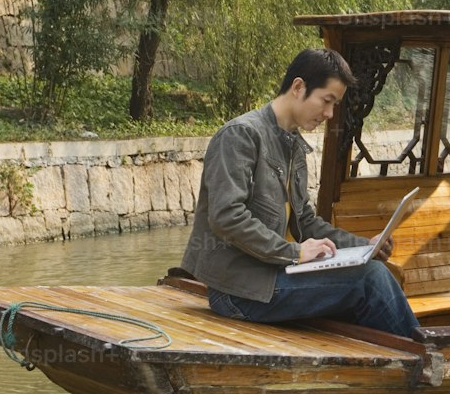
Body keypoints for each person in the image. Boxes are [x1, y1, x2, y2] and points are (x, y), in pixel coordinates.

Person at [181, 47, 422, 340]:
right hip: (239, 291)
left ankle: (402, 364)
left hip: (272, 277)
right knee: (369, 281)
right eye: (327, 101)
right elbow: (227, 217)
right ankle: (426, 357)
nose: (330, 114)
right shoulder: (240, 136)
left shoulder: (292, 143)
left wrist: (364, 247)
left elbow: (305, 221)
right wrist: (295, 253)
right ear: (299, 87)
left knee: (371, 270)